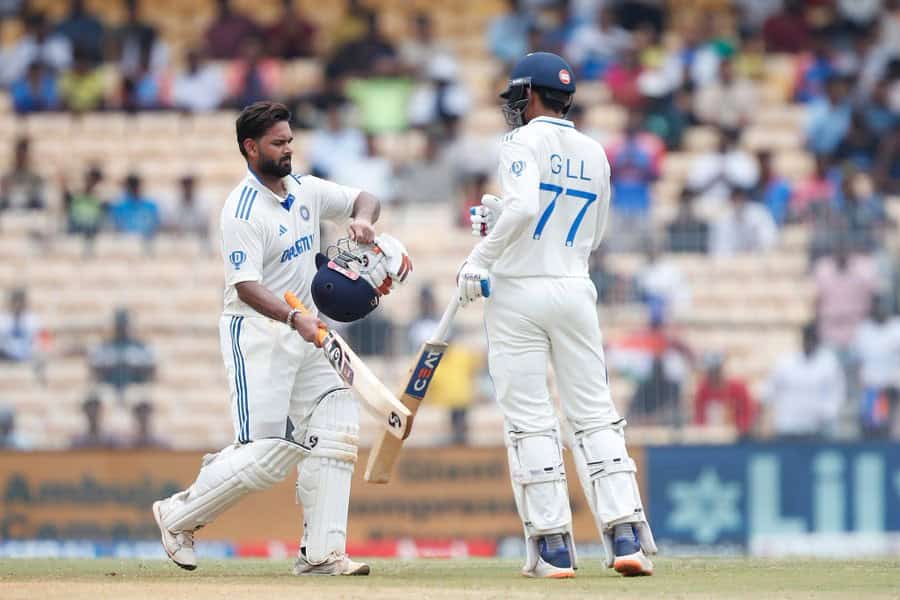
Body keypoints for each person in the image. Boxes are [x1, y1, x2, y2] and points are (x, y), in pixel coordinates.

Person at [152, 101, 408, 576]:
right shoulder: (240, 210)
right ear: (251, 149)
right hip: (259, 336)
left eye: (290, 140)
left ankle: (321, 555)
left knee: (337, 423)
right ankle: (177, 515)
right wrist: (295, 319)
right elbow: (246, 287)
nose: (288, 149)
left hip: (309, 334)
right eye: (278, 143)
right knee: (267, 453)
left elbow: (364, 197)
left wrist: (365, 221)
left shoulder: (305, 189)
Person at [461, 53, 656, 579]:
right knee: (594, 412)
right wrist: (510, 223)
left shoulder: (520, 142)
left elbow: (525, 208)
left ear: (530, 95)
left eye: (517, 98)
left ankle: (553, 550)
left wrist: (479, 256)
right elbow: (592, 229)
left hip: (519, 291)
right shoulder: (595, 150)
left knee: (531, 421)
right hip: (574, 285)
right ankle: (625, 536)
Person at [764, 323, 845, 440]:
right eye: (807, 339)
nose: (809, 343)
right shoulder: (786, 363)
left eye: (812, 339)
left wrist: (827, 414)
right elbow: (769, 391)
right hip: (789, 426)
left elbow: (837, 392)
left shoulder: (829, 363)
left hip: (817, 428)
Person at [89, 308, 156, 401]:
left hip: (135, 387)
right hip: (110, 387)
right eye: (120, 326)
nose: (122, 329)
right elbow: (96, 368)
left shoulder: (141, 347)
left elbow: (150, 368)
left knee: (141, 398)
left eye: (125, 325)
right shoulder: (104, 347)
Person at [693, 353, 757, 438]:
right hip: (709, 437)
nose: (714, 375)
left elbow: (747, 413)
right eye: (711, 372)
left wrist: (737, 430)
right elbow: (699, 415)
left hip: (737, 437)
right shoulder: (702, 389)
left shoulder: (738, 388)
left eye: (716, 371)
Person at [0, 137, 46, 212]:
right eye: (19, 154)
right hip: (9, 217)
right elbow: (2, 202)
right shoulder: (6, 178)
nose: (22, 157)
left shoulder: (36, 179)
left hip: (31, 217)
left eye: (24, 154)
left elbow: (41, 205)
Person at [108, 173, 161, 239]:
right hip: (125, 241)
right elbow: (116, 226)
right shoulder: (118, 206)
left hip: (145, 240)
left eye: (136, 185)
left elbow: (156, 225)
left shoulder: (150, 205)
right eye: (131, 186)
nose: (134, 188)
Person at [0, 288, 41, 363]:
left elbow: (35, 340)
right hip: (6, 353)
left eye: (20, 302)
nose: (18, 305)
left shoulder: (31, 319)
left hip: (26, 353)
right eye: (15, 302)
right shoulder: (3, 319)